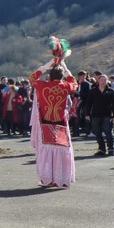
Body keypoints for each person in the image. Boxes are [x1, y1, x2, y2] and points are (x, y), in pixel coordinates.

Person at [29, 60, 77, 188]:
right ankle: (62, 179)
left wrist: (45, 67)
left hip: (45, 122)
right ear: (61, 76)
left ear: (50, 76)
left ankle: (47, 179)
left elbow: (32, 78)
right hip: (61, 123)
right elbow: (74, 83)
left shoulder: (42, 86)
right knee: (62, 149)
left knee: (46, 151)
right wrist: (65, 68)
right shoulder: (66, 86)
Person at [84, 74, 114, 156]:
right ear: (98, 81)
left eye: (105, 80)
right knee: (97, 132)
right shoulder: (93, 91)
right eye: (101, 80)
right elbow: (88, 103)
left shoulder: (111, 91)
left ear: (107, 81)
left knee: (108, 132)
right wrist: (87, 114)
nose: (103, 82)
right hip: (95, 115)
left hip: (107, 115)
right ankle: (102, 149)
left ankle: (110, 148)